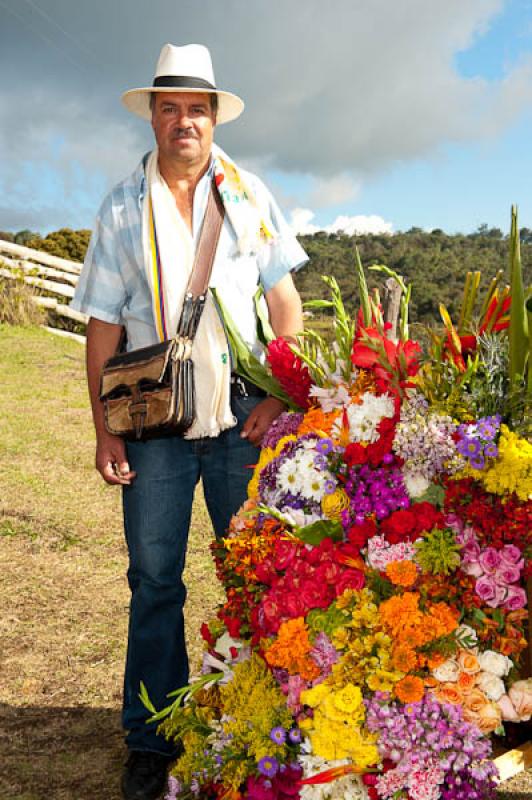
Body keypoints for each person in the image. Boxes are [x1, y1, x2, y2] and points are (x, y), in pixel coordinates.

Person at [71, 43, 307, 800]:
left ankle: (263, 721)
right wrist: (104, 429)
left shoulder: (248, 192)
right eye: (168, 108)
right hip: (152, 421)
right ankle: (152, 737)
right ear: (153, 116)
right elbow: (102, 324)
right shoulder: (120, 204)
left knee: (256, 575)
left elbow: (284, 302)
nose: (183, 122)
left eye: (195, 109)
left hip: (244, 414)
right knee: (155, 579)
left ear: (212, 118)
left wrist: (280, 394)